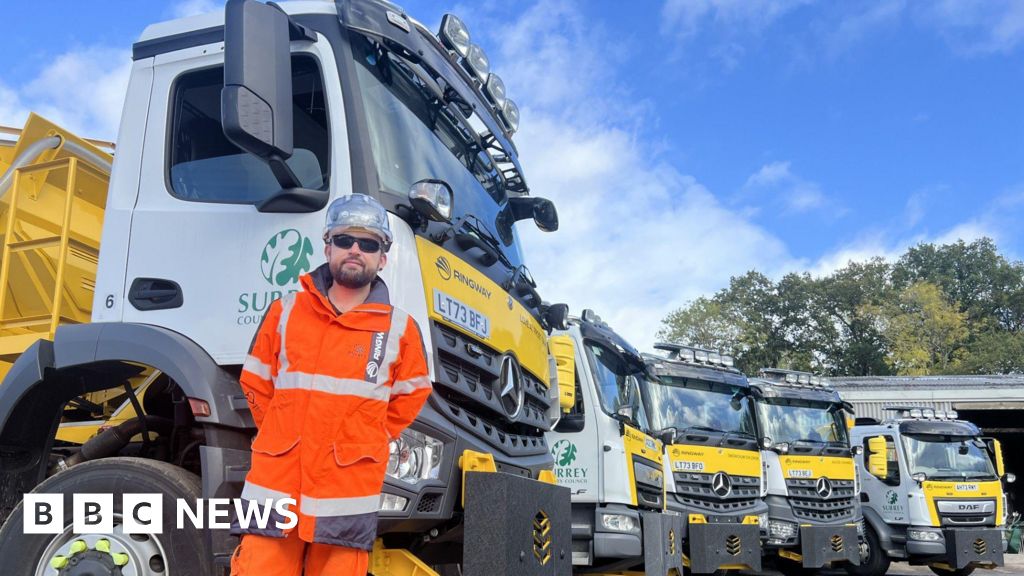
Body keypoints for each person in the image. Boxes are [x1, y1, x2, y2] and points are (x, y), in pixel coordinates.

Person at [230, 194, 432, 576]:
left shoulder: (400, 329)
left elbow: (410, 396)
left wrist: (365, 437)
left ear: (382, 257)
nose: (355, 249)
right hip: (277, 483)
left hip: (346, 490)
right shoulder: (285, 311)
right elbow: (256, 382)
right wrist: (282, 431)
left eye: (368, 243)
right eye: (344, 240)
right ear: (327, 247)